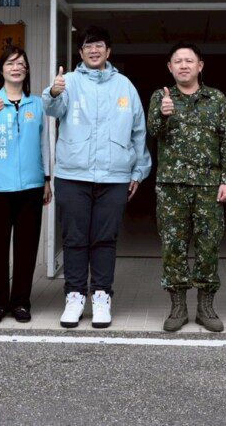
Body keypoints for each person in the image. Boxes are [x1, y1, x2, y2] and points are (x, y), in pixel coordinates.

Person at [43, 25, 150, 329]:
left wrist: (138, 171)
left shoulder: (125, 86)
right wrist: (53, 91)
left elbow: (138, 130)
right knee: (75, 238)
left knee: (105, 239)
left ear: (108, 51)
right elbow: (51, 109)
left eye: (99, 45)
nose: (93, 50)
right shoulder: (69, 82)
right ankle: (75, 296)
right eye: (88, 46)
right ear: (80, 53)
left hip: (114, 176)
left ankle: (101, 296)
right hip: (72, 174)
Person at [146, 41, 226, 333]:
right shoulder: (161, 97)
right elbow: (153, 132)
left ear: (200, 65)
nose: (183, 65)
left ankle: (206, 306)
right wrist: (163, 114)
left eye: (189, 60)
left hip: (209, 186)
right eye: (177, 61)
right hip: (172, 185)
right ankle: (177, 306)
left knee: (208, 246)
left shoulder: (217, 99)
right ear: (170, 68)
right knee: (173, 246)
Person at [0, 46, 52, 324]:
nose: (16, 67)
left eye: (21, 63)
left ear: (27, 69)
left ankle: (20, 301)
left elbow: (44, 143)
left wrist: (46, 178)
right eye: (10, 63)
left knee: (26, 248)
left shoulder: (36, 104)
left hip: (31, 187)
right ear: (1, 70)